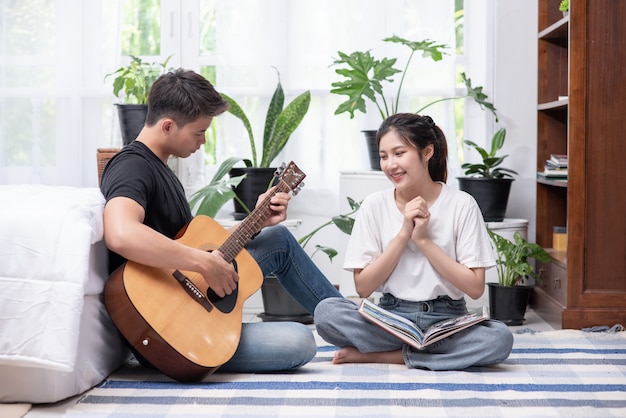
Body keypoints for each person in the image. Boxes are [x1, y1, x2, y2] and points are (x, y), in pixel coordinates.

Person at [100, 68, 342, 373]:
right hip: (163, 329)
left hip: (182, 296)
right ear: (167, 126)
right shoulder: (132, 166)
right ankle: (360, 332)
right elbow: (121, 234)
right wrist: (203, 263)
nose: (202, 141)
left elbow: (187, 249)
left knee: (277, 239)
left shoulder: (161, 169)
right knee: (299, 341)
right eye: (198, 132)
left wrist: (257, 220)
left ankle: (354, 328)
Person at [314, 113, 513, 370]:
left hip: (447, 319)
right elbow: (363, 287)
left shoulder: (461, 204)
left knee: (499, 339)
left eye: (399, 153)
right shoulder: (374, 205)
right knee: (327, 312)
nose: (390, 164)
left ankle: (391, 356)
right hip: (390, 318)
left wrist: (423, 241)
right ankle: (423, 354)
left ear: (427, 151)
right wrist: (403, 234)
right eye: (384, 156)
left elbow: (475, 288)